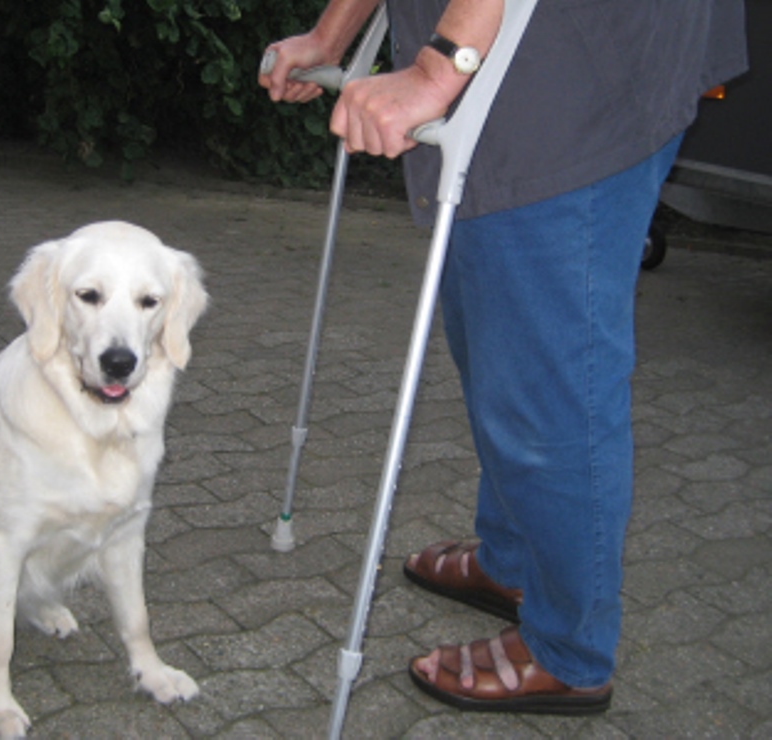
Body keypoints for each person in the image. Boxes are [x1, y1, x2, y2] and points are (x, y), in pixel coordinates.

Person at [260, 0, 747, 715]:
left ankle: (569, 651)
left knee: (551, 382)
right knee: (497, 341)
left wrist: (437, 65)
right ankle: (517, 562)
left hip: (571, 73)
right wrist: (330, 35)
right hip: (509, 54)